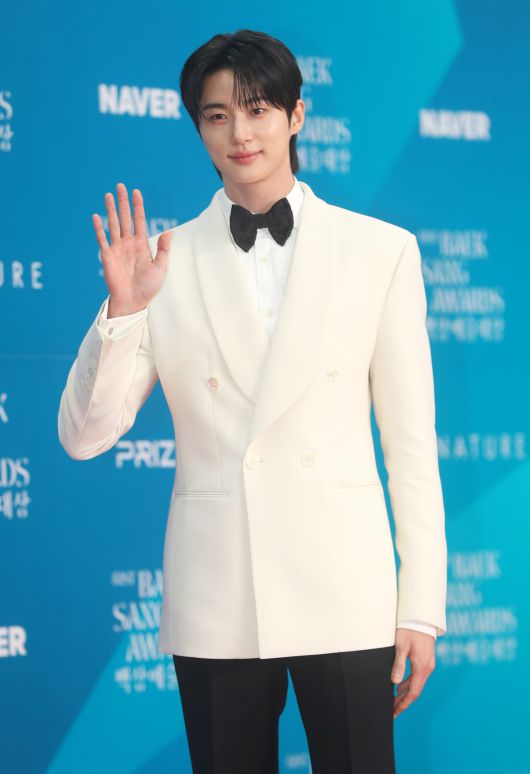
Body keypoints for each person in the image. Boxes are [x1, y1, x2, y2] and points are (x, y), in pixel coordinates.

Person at [58, 28, 447, 774]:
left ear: (296, 116)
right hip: (218, 595)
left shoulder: (380, 251)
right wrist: (124, 311)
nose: (240, 133)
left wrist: (421, 607)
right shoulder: (162, 261)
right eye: (217, 115)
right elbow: (84, 436)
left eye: (259, 109)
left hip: (345, 587)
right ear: (198, 128)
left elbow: (410, 446)